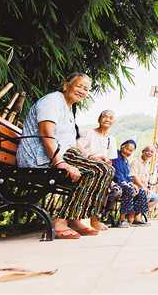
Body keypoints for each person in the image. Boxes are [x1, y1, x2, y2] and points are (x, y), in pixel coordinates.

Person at [16, 72, 115, 239]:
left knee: (105, 169)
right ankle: (60, 221)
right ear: (66, 85)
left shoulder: (69, 109)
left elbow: (70, 143)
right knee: (98, 170)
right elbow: (46, 133)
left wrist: (90, 157)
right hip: (41, 157)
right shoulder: (52, 101)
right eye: (79, 86)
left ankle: (74, 218)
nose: (83, 91)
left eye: (86, 89)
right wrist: (59, 163)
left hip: (61, 153)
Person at [77, 109, 119, 229]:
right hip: (87, 166)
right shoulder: (89, 133)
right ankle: (81, 219)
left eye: (110, 118)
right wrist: (92, 157)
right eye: (104, 117)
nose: (107, 119)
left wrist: (105, 162)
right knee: (99, 181)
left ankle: (95, 220)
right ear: (99, 119)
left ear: (113, 122)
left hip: (102, 170)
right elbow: (77, 148)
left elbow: (111, 161)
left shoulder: (111, 139)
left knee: (108, 185)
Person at [111, 140, 149, 227]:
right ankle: (122, 220)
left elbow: (128, 176)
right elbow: (117, 173)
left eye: (131, 151)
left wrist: (132, 184)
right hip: (116, 182)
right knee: (128, 189)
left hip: (125, 183)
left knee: (141, 192)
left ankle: (136, 219)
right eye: (127, 149)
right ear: (122, 146)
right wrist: (127, 184)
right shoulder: (115, 156)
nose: (128, 152)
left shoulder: (126, 161)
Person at [131, 145, 158, 213]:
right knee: (145, 194)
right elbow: (134, 176)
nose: (149, 153)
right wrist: (143, 187)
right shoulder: (136, 162)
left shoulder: (147, 164)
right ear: (143, 152)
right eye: (147, 151)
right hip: (136, 186)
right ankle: (135, 214)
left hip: (144, 187)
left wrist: (146, 187)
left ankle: (136, 212)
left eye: (152, 152)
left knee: (156, 198)